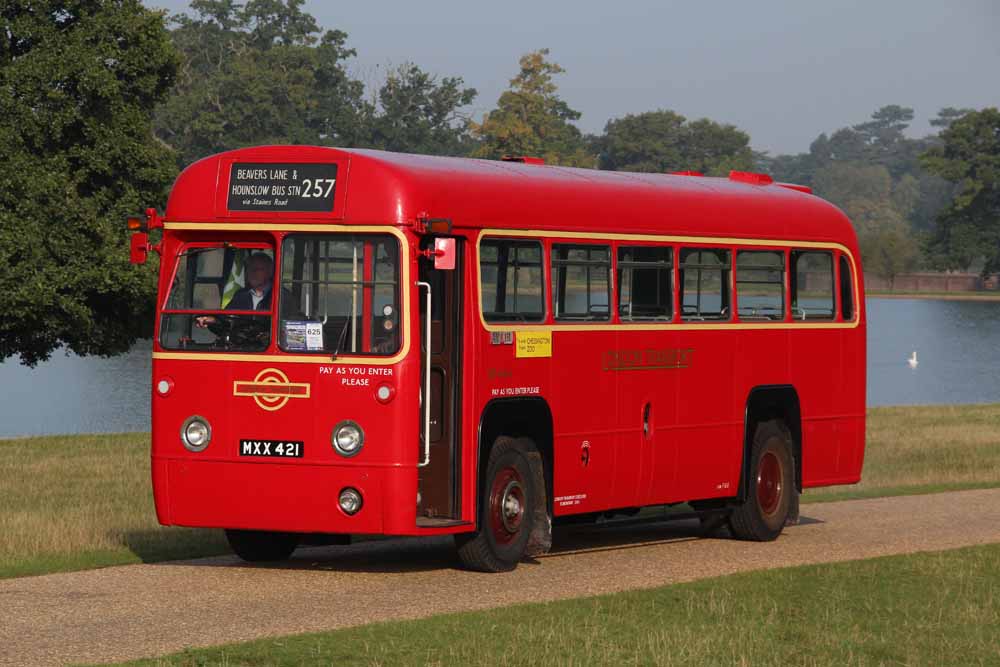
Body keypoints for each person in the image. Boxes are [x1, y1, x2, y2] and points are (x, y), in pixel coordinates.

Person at [196, 252, 274, 329]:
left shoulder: (280, 296)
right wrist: (212, 320)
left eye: (257, 269)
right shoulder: (241, 295)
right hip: (243, 340)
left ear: (270, 271)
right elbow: (226, 317)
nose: (252, 272)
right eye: (249, 268)